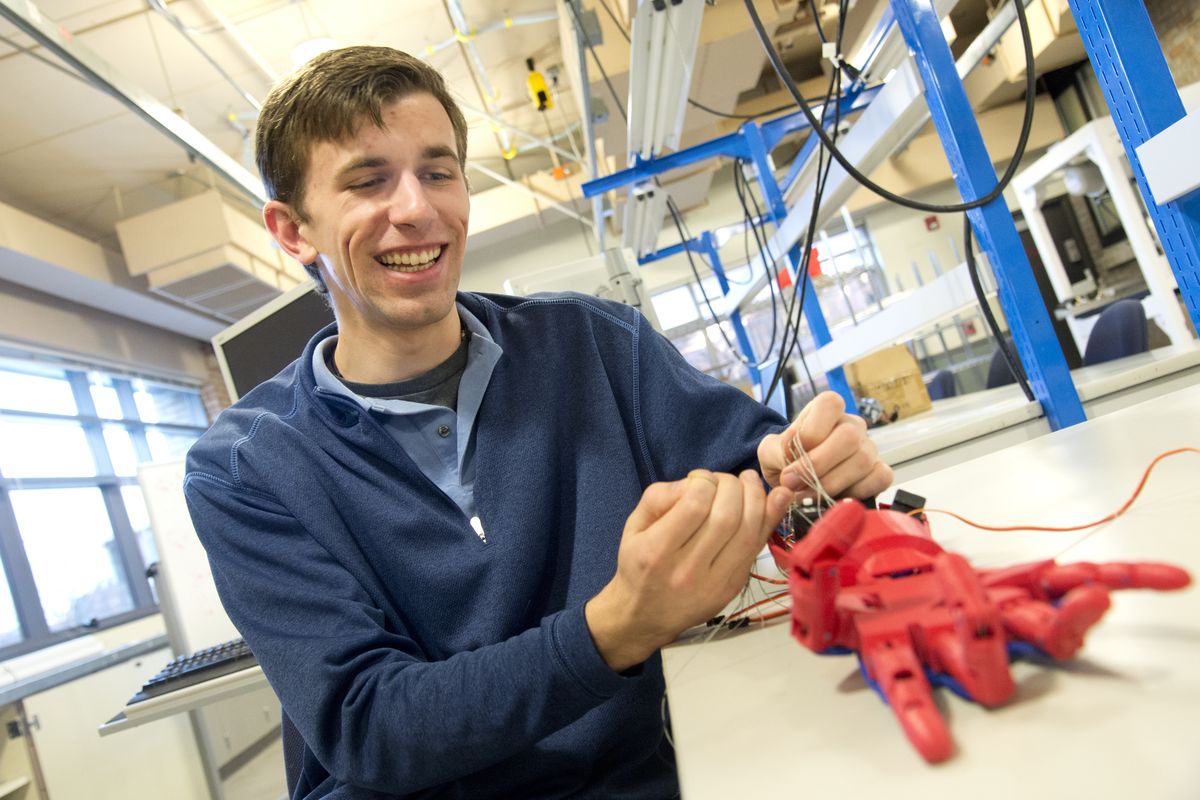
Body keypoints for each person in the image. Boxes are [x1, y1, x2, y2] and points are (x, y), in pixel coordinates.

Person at [184, 45, 891, 799]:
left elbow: (760, 470)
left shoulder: (593, 345)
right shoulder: (246, 468)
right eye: (367, 181)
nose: (416, 208)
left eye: (437, 171)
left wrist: (814, 478)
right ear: (293, 232)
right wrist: (611, 629)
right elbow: (370, 725)